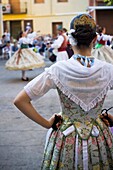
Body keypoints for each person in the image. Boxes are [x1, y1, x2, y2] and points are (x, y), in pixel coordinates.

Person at [14, 14, 113, 169]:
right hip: (98, 136)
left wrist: (47, 124)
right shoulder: (107, 70)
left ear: (71, 40)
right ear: (94, 40)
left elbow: (20, 100)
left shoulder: (58, 70)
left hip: (66, 137)